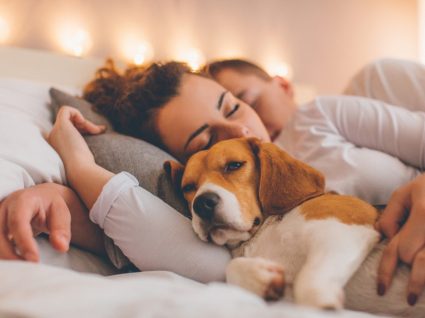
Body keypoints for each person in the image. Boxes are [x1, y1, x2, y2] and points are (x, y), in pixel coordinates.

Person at [1, 58, 424, 303]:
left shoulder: (318, 117)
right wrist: (62, 181)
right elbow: (146, 229)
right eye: (205, 141)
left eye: (235, 105)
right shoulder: (242, 223)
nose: (238, 133)